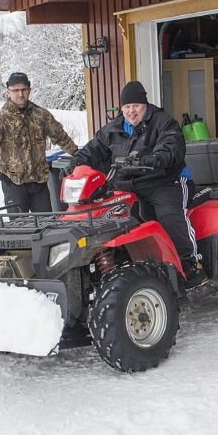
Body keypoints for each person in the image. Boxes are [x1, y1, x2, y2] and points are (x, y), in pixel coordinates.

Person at [68, 80, 205, 288]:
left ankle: (191, 264)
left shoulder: (163, 122)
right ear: (121, 108)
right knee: (109, 219)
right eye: (127, 107)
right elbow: (93, 149)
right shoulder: (113, 129)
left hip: (165, 181)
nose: (131, 111)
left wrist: (152, 159)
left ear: (145, 105)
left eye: (136, 106)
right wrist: (75, 163)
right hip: (127, 185)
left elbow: (171, 148)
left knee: (169, 216)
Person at [0, 71, 78, 213]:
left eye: (24, 89)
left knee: (46, 226)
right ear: (8, 92)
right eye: (16, 90)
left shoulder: (41, 115)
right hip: (14, 184)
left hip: (39, 183)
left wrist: (78, 154)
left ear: (29, 90)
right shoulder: (0, 120)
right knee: (19, 228)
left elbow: (60, 137)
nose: (20, 94)